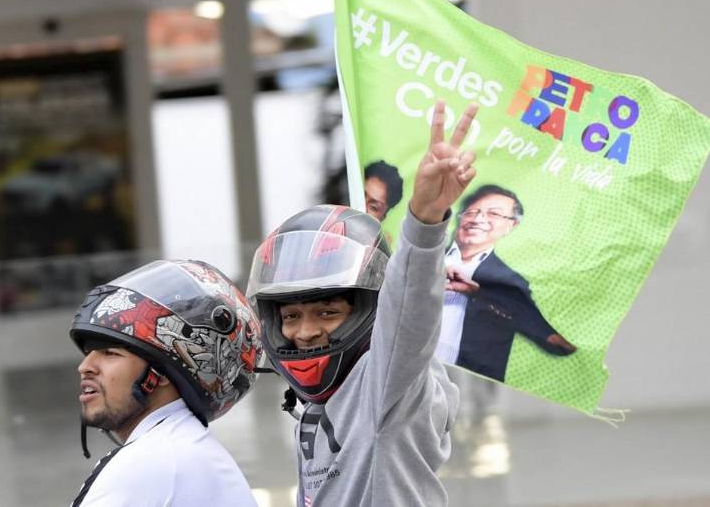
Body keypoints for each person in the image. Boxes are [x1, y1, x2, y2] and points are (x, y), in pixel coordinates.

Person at [246, 101, 478, 506]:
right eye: (291, 316)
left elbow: (409, 314)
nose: (305, 332)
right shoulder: (316, 405)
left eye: (327, 312)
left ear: (370, 311)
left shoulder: (383, 388)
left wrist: (425, 221)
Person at [69, 259, 262, 507]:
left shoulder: (151, 461)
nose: (85, 367)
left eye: (110, 353)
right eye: (89, 353)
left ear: (160, 374)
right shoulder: (180, 447)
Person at [435, 184, 577, 382]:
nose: (478, 219)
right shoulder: (424, 256)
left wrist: (477, 293)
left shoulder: (510, 282)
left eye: (493, 214)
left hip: (459, 385)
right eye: (472, 212)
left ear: (512, 225)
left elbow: (554, 343)